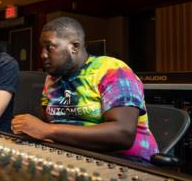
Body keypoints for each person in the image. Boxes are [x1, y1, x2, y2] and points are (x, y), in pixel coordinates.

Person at [11, 17, 158, 162]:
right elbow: (44, 124)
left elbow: (123, 134)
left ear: (75, 46)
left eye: (49, 47)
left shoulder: (112, 70)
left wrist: (48, 131)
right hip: (71, 156)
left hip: (125, 162)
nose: (43, 55)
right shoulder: (53, 78)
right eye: (42, 48)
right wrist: (28, 127)